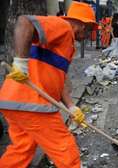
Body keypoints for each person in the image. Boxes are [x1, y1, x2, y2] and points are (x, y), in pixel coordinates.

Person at [0, 2, 97, 167]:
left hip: (14, 101)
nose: (88, 35)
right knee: (66, 151)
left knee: (21, 151)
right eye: (89, 30)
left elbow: (61, 79)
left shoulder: (67, 43)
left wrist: (72, 106)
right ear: (81, 24)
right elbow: (25, 21)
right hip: (33, 103)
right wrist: (21, 63)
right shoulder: (63, 27)